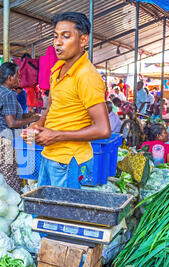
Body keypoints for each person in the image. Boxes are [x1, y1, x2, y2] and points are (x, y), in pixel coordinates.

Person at [23, 11, 111, 189]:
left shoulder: (87, 75)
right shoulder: (58, 68)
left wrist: (56, 135)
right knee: (46, 212)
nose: (58, 42)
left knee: (65, 216)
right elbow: (52, 107)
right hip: (50, 156)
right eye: (55, 36)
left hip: (71, 161)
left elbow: (103, 130)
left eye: (66, 36)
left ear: (84, 40)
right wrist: (38, 125)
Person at [0, 62, 40, 193]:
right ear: (10, 78)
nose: (19, 79)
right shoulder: (9, 94)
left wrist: (30, 115)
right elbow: (11, 122)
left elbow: (13, 115)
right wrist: (33, 119)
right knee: (7, 181)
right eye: (17, 75)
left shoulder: (2, 92)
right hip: (3, 140)